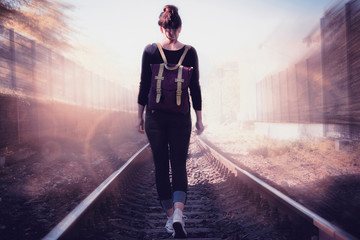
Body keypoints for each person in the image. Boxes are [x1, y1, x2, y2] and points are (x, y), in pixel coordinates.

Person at [136, 4, 204, 238]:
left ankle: (169, 218)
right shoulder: (190, 51)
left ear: (162, 27)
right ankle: (178, 215)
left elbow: (144, 85)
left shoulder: (149, 50)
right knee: (179, 164)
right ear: (179, 26)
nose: (171, 31)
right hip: (180, 117)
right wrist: (199, 119)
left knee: (161, 166)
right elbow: (194, 88)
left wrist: (139, 116)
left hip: (154, 117)